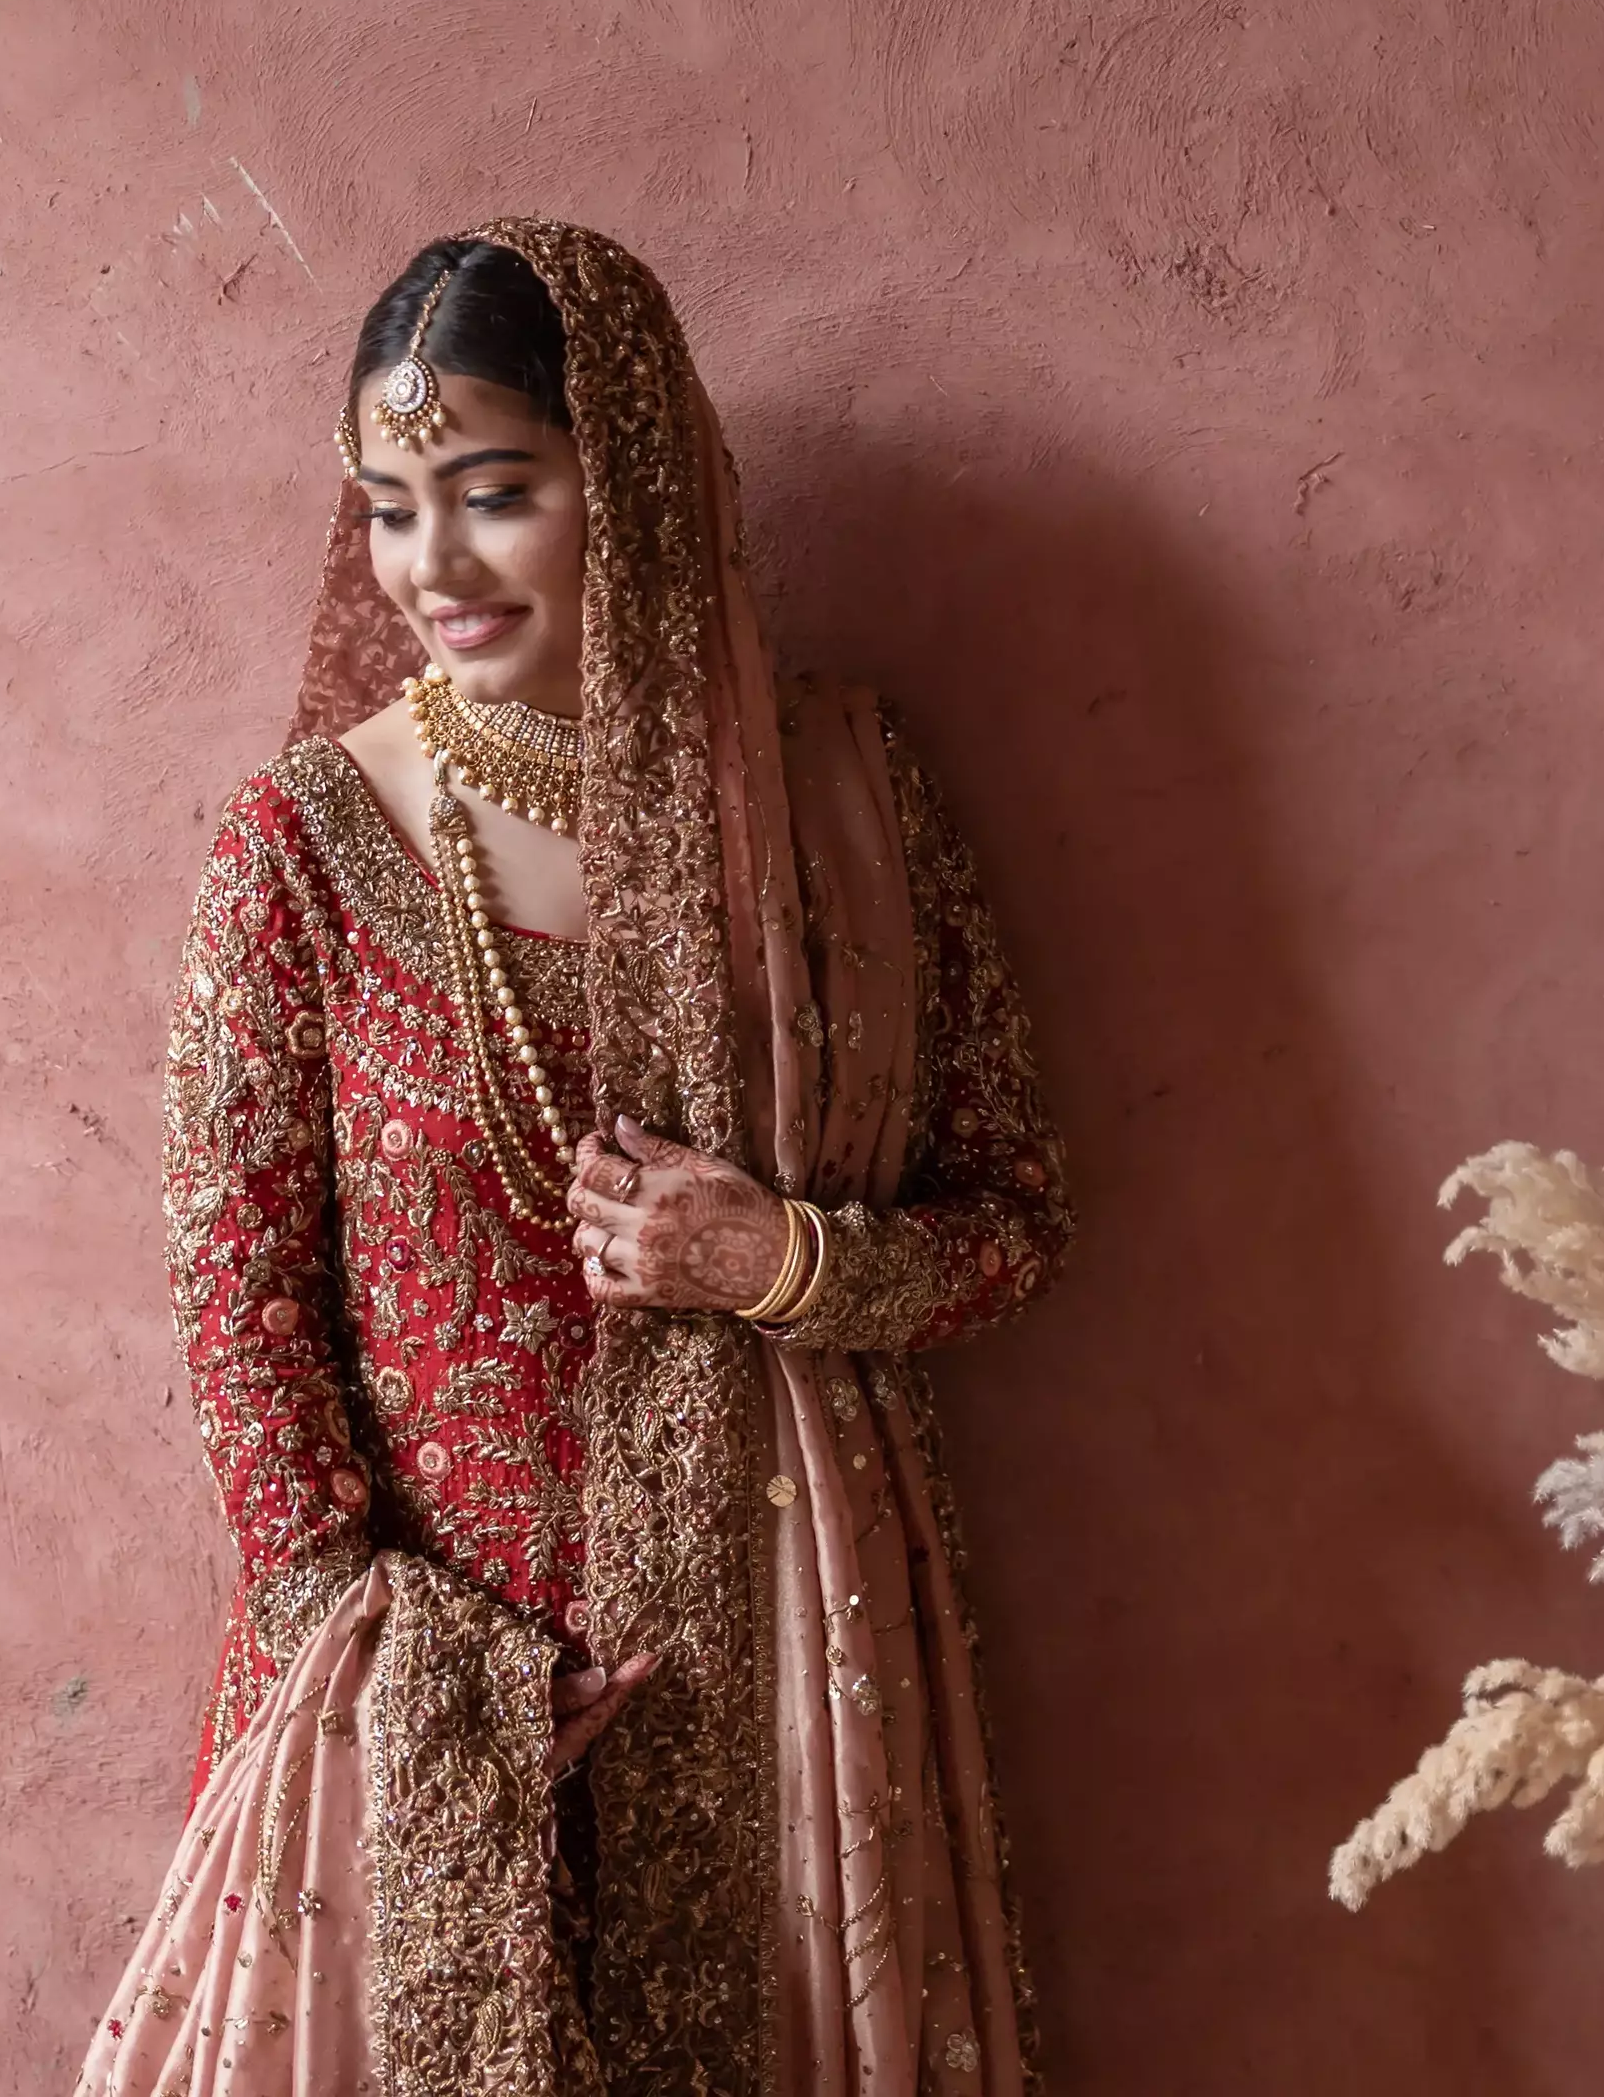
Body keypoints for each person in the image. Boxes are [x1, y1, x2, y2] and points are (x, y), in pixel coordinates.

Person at [79, 219, 1066, 2097]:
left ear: (629, 477)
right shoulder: (301, 847)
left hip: (791, 1685)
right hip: (438, 1685)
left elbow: (1018, 1217)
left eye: (494, 493)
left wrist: (778, 1258)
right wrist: (397, 1678)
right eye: (388, 507)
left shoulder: (842, 804)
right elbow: (239, 1300)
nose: (432, 564)